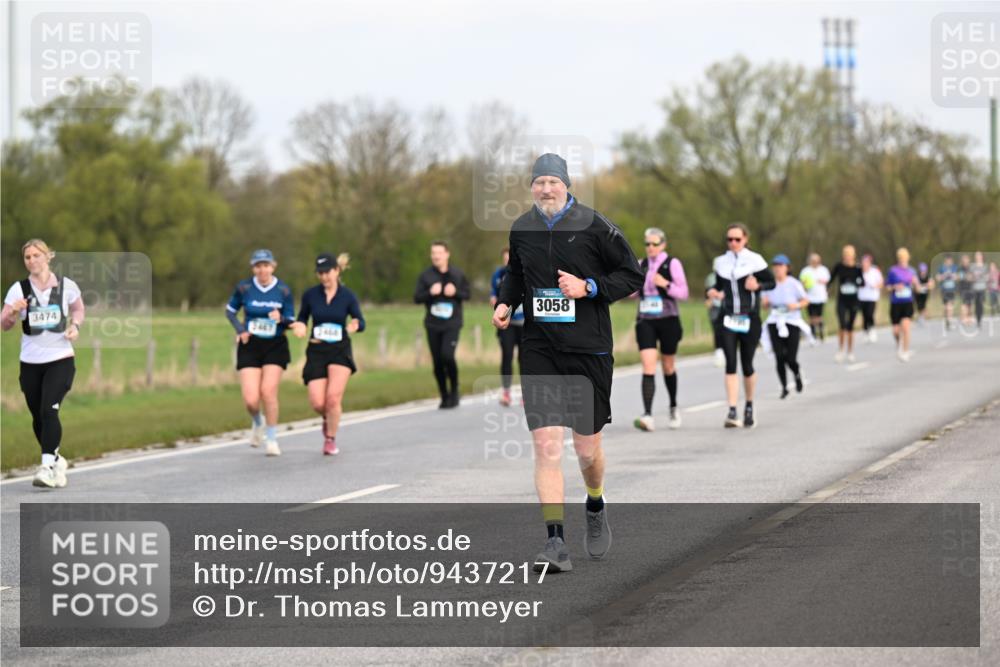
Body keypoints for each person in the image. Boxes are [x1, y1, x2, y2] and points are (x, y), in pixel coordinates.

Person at [492, 153, 643, 573]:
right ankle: (554, 543)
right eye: (538, 182)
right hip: (539, 346)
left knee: (586, 449)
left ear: (566, 184)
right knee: (545, 444)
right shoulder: (522, 228)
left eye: (552, 182)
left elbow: (632, 275)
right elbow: (516, 276)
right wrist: (506, 302)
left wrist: (589, 286)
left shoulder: (595, 224)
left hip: (588, 349)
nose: (545, 189)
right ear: (532, 187)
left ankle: (595, 502)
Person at [2, 240, 84, 488]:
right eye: (27, 257)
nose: (32, 260)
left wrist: (74, 326)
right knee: (38, 417)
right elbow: (4, 325)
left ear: (48, 257)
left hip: (60, 359)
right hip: (30, 362)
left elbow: (79, 310)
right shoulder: (19, 289)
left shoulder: (67, 286)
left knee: (50, 410)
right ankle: (57, 461)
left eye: (37, 255)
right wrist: (13, 313)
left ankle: (47, 467)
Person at [291, 253, 365, 456]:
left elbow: (360, 320)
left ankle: (330, 439)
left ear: (337, 271)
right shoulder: (310, 295)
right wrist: (299, 327)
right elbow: (302, 318)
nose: (324, 277)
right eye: (320, 273)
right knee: (318, 402)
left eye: (327, 272)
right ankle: (328, 418)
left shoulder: (347, 296)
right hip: (317, 350)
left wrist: (355, 325)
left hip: (340, 350)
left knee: (333, 399)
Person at [226, 249, 295, 457]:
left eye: (266, 265)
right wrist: (240, 330)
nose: (262, 270)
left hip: (275, 345)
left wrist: (280, 318)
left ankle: (272, 439)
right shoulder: (244, 287)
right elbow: (230, 311)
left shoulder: (283, 290)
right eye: (258, 266)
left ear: (273, 266)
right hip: (250, 344)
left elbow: (291, 320)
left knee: (268, 391)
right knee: (250, 399)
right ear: (253, 268)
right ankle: (258, 422)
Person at [706, 223, 775, 429]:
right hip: (728, 318)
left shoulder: (755, 260)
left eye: (737, 239)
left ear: (745, 240)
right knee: (730, 363)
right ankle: (732, 410)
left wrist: (759, 286)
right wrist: (712, 291)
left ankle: (750, 405)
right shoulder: (721, 262)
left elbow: (771, 282)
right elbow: (718, 286)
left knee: (747, 364)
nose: (733, 243)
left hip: (750, 318)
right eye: (729, 240)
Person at [633, 227, 689, 431]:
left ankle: (673, 406)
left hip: (668, 320)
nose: (650, 248)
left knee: (667, 366)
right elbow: (631, 292)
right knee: (648, 365)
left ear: (663, 245)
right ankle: (647, 414)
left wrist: (665, 284)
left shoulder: (672, 264)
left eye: (654, 244)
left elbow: (684, 293)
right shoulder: (641, 264)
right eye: (647, 244)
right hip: (646, 319)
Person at [414, 241, 470, 409]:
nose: (436, 256)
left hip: (452, 324)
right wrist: (430, 293)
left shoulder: (457, 274)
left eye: (439, 253)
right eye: (433, 253)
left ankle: (454, 390)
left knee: (447, 356)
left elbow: (467, 294)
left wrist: (456, 292)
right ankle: (444, 395)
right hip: (433, 324)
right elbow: (417, 298)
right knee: (437, 362)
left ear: (447, 254)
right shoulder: (426, 276)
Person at [761, 254, 809, 399]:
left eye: (780, 266)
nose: (777, 269)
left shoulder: (794, 284)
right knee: (779, 356)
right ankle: (784, 386)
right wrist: (765, 303)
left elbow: (805, 300)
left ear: (787, 268)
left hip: (792, 322)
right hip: (774, 321)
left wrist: (796, 305)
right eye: (775, 266)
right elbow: (764, 304)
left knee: (790, 357)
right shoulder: (769, 284)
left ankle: (797, 373)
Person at [490, 247, 524, 407]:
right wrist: (494, 302)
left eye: (510, 259)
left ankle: (526, 393)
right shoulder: (499, 275)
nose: (507, 262)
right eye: (505, 259)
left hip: (525, 323)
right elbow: (494, 295)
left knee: (525, 359)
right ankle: (506, 392)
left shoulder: (526, 271)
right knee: (507, 356)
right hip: (507, 324)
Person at [829, 245, 865, 363]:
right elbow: (831, 279)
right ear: (844, 255)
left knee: (850, 327)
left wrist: (856, 282)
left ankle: (850, 352)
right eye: (846, 255)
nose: (848, 257)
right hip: (842, 300)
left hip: (854, 300)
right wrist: (826, 287)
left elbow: (862, 282)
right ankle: (840, 351)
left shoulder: (858, 268)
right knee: (842, 325)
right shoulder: (839, 266)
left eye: (850, 255)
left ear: (853, 256)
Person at [886, 247, 919, 362]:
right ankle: (899, 343)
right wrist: (895, 287)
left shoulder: (912, 271)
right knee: (895, 330)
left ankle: (905, 351)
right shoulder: (893, 271)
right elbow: (887, 287)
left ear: (907, 258)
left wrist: (917, 284)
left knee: (905, 327)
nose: (902, 260)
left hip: (907, 302)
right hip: (895, 303)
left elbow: (918, 288)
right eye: (900, 258)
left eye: (904, 258)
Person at [798, 253, 830, 344]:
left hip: (821, 297)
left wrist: (822, 281)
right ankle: (813, 335)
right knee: (811, 317)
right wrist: (804, 284)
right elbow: (801, 282)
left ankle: (821, 332)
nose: (815, 262)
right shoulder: (805, 271)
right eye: (813, 261)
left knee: (819, 317)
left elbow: (827, 280)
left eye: (817, 261)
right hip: (809, 297)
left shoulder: (823, 270)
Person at [858, 254, 883, 343]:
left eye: (867, 262)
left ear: (870, 263)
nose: (865, 264)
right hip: (861, 297)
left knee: (870, 314)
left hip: (872, 297)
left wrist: (875, 286)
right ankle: (865, 331)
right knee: (864, 315)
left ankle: (872, 330)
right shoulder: (859, 271)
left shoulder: (875, 271)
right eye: (863, 262)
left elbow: (881, 283)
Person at [704, 271, 726, 368]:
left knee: (726, 330)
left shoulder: (729, 274)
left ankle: (725, 351)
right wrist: (708, 300)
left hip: (727, 307)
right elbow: (707, 291)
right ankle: (719, 352)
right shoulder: (711, 277)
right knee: (717, 329)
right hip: (715, 307)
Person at [937, 254, 958, 330]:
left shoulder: (954, 267)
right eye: (948, 261)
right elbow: (938, 278)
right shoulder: (941, 268)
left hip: (951, 289)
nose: (949, 262)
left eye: (951, 261)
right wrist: (944, 276)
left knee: (950, 306)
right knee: (946, 306)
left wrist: (952, 276)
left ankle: (949, 321)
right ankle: (947, 320)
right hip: (944, 289)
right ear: (945, 261)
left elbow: (956, 277)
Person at [969, 251, 989, 328]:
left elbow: (987, 277)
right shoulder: (972, 266)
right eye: (976, 255)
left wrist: (983, 277)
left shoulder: (985, 266)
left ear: (982, 256)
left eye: (979, 255)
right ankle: (978, 320)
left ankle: (980, 319)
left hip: (982, 287)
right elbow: (969, 277)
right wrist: (973, 277)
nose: (977, 257)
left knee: (981, 304)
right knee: (976, 304)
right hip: (975, 288)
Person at [958, 254, 974, 326]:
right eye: (964, 260)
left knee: (970, 304)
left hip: (970, 288)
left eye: (966, 260)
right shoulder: (960, 269)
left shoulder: (971, 268)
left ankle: (968, 317)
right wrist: (967, 277)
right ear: (962, 261)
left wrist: (969, 277)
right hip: (963, 289)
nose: (965, 262)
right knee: (964, 303)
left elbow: (972, 278)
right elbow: (960, 277)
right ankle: (964, 318)